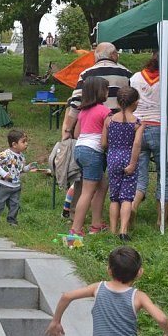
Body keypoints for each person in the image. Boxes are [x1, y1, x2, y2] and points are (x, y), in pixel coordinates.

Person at [61, 42, 132, 223]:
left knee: (88, 181)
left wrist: (67, 131)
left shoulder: (86, 74)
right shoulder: (126, 74)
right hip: (119, 132)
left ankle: (78, 215)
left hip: (87, 138)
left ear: (96, 57)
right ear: (114, 55)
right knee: (112, 176)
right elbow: (132, 102)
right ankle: (118, 213)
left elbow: (75, 104)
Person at [130, 53, 168, 228]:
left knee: (139, 175)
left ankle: (133, 207)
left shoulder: (135, 77)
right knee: (165, 175)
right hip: (160, 128)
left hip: (137, 128)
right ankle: (161, 220)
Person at [69, 77, 111, 236]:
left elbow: (76, 133)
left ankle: (96, 223)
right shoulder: (105, 111)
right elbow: (106, 139)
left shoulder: (83, 111)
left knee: (102, 184)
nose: (108, 92)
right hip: (93, 152)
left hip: (79, 150)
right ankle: (76, 229)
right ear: (100, 92)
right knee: (88, 191)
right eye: (106, 89)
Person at [102, 87, 143, 241]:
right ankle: (123, 231)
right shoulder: (138, 123)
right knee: (126, 197)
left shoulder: (109, 120)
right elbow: (137, 144)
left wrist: (112, 149)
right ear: (135, 103)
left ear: (118, 102)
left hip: (112, 158)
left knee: (114, 197)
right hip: (128, 158)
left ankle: (112, 230)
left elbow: (103, 143)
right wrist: (132, 163)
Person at [0, 129, 35, 230]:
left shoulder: (21, 157)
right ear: (14, 144)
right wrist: (4, 174)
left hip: (16, 186)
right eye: (23, 141)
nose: (26, 144)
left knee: (15, 205)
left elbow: (20, 170)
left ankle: (12, 221)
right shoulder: (5, 154)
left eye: (26, 141)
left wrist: (28, 168)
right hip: (3, 185)